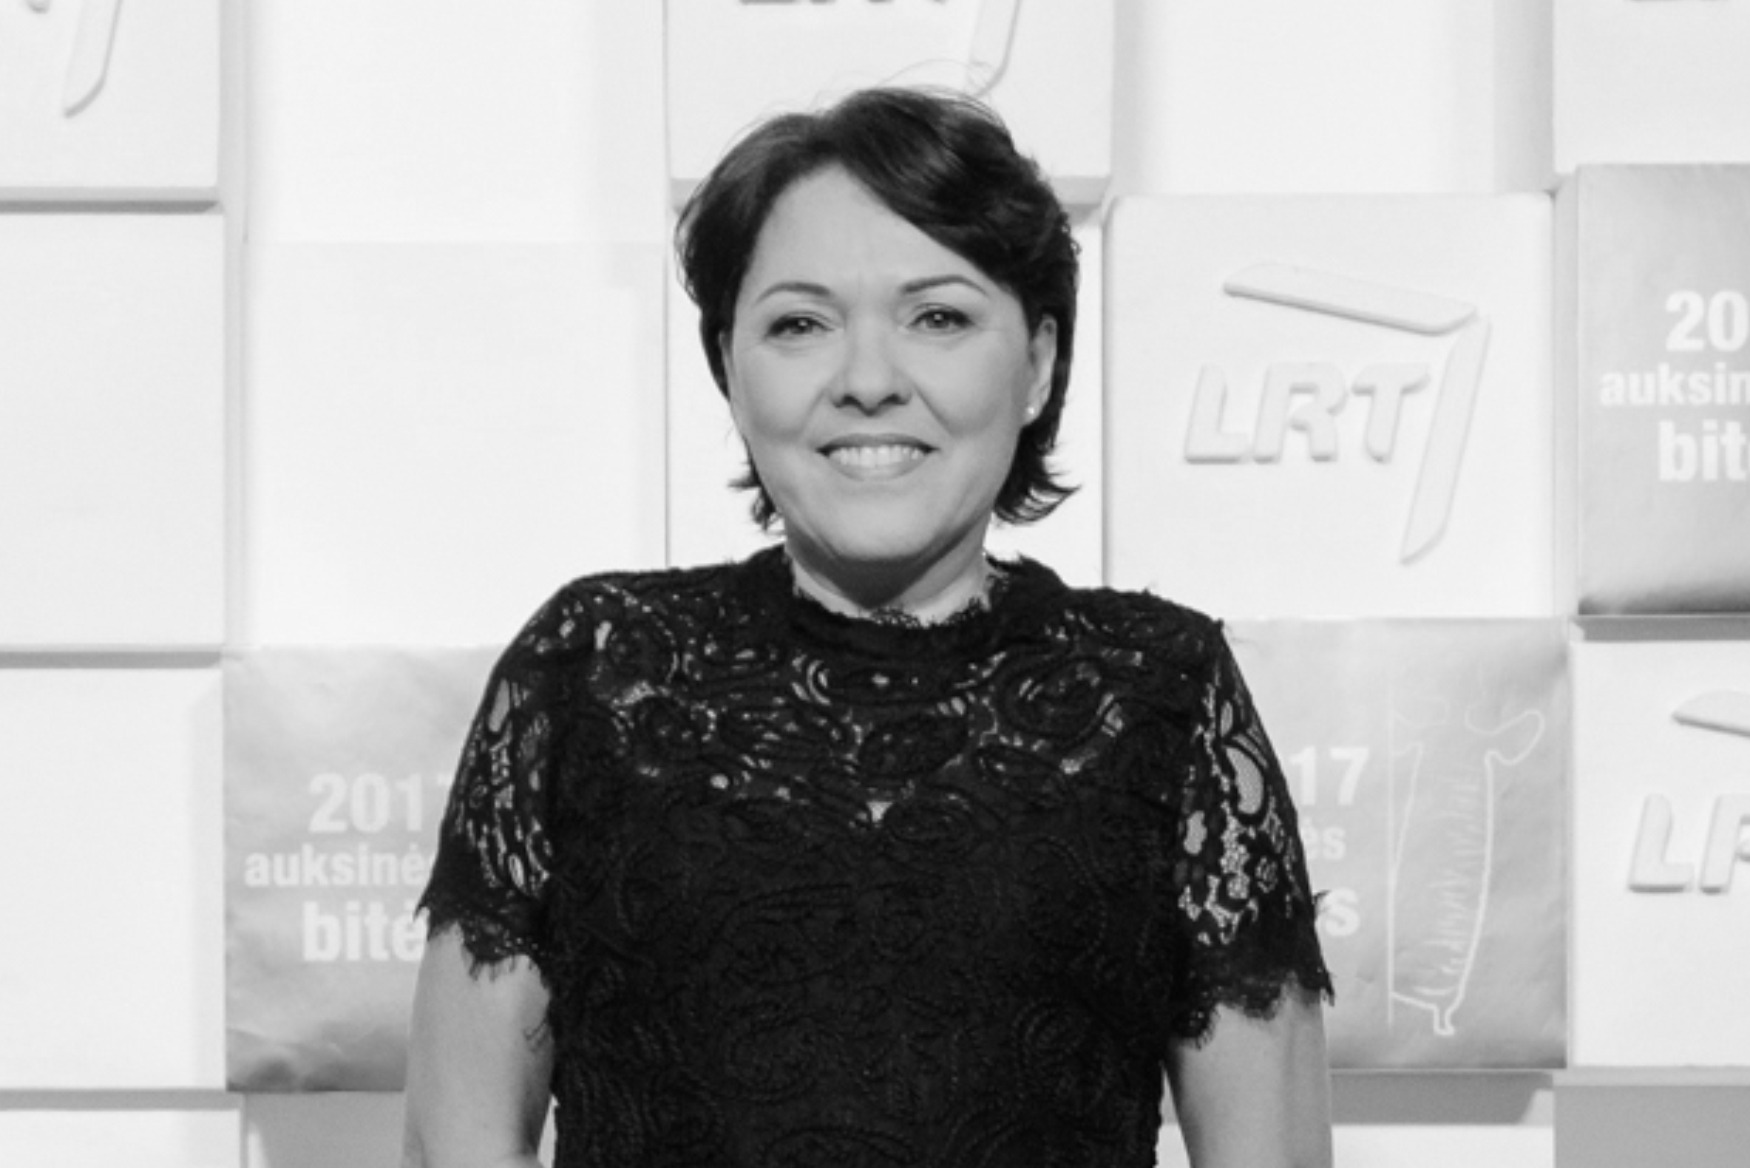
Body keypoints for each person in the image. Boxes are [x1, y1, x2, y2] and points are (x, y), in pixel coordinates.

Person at [401, 87, 1334, 1168]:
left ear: (1038, 363)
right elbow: (457, 1143)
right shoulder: (594, 671)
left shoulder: (1159, 691)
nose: (868, 381)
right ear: (730, 367)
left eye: (937, 317)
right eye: (800, 324)